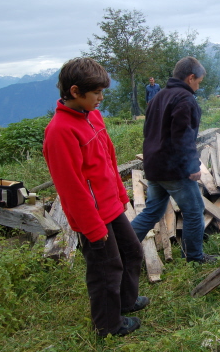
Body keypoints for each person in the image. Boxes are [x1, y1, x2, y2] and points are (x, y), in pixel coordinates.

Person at [43, 57, 148, 337]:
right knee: (106, 269)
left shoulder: (93, 117)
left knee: (132, 252)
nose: (101, 98)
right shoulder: (60, 131)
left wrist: (119, 195)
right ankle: (107, 325)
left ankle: (125, 302)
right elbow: (71, 187)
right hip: (91, 215)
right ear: (75, 91)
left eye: (103, 92)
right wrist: (91, 226)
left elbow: (108, 160)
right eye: (96, 93)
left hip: (110, 205)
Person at [131, 56, 216, 264]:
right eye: (198, 82)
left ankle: (122, 247)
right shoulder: (185, 100)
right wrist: (193, 166)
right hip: (173, 169)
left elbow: (147, 131)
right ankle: (194, 258)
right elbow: (183, 137)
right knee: (194, 211)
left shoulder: (159, 97)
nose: (198, 87)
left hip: (154, 166)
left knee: (152, 211)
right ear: (190, 77)